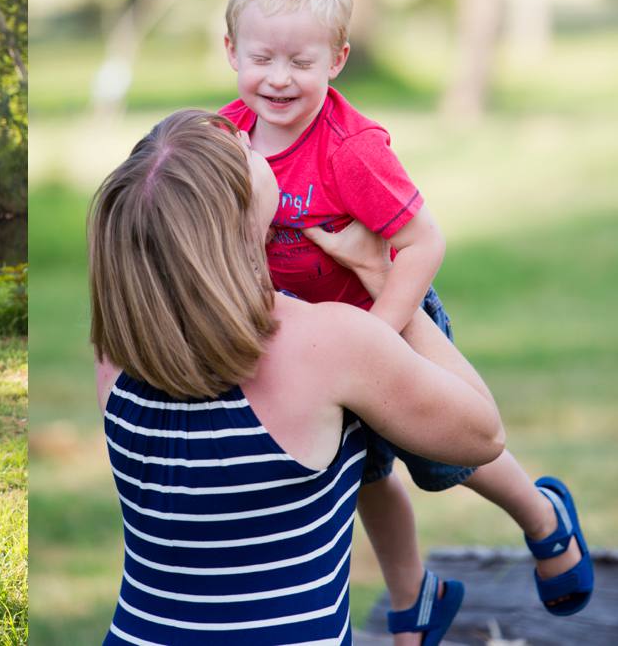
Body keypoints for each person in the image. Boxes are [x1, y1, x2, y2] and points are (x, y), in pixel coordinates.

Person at [218, 0, 592, 639]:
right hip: (307, 345)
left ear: (336, 59)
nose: (277, 78)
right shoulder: (225, 138)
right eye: (262, 57)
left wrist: (386, 333)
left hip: (383, 319)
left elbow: (424, 240)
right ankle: (412, 596)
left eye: (301, 63)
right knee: (363, 474)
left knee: (447, 454)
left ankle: (543, 518)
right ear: (231, 47)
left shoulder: (349, 151)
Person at [90, 109, 505, 644]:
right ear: (239, 217)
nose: (249, 131)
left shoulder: (117, 349)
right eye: (243, 148)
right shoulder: (327, 342)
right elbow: (482, 435)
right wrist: (381, 274)